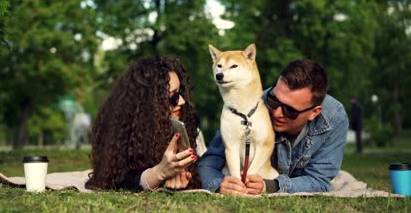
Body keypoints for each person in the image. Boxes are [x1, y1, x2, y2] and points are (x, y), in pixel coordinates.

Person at [198, 59, 349, 195]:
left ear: (314, 112)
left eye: (289, 110)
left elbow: (319, 180)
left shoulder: (334, 118)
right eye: (274, 100)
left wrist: (271, 185)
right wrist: (219, 184)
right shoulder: (252, 105)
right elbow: (208, 163)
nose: (276, 113)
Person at [86, 56, 201, 191]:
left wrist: (182, 175)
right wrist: (160, 173)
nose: (182, 101)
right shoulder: (125, 131)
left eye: (180, 92)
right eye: (173, 96)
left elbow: (198, 173)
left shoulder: (184, 122)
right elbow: (113, 179)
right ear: (148, 104)